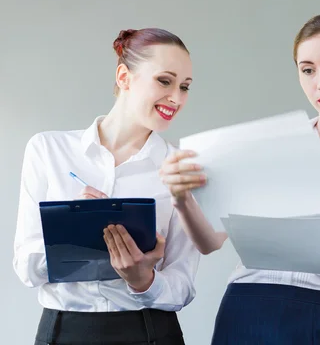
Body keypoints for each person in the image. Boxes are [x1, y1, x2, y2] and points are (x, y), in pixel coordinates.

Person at [162, 14, 320, 344]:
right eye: (308, 69)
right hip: (245, 306)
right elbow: (210, 242)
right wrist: (182, 199)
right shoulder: (271, 147)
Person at [13, 28, 201, 345]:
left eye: (185, 87)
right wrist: (72, 232)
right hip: (64, 332)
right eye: (165, 81)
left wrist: (144, 281)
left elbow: (182, 286)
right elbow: (26, 268)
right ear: (124, 77)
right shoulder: (48, 150)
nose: (177, 98)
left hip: (150, 332)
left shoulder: (182, 168)